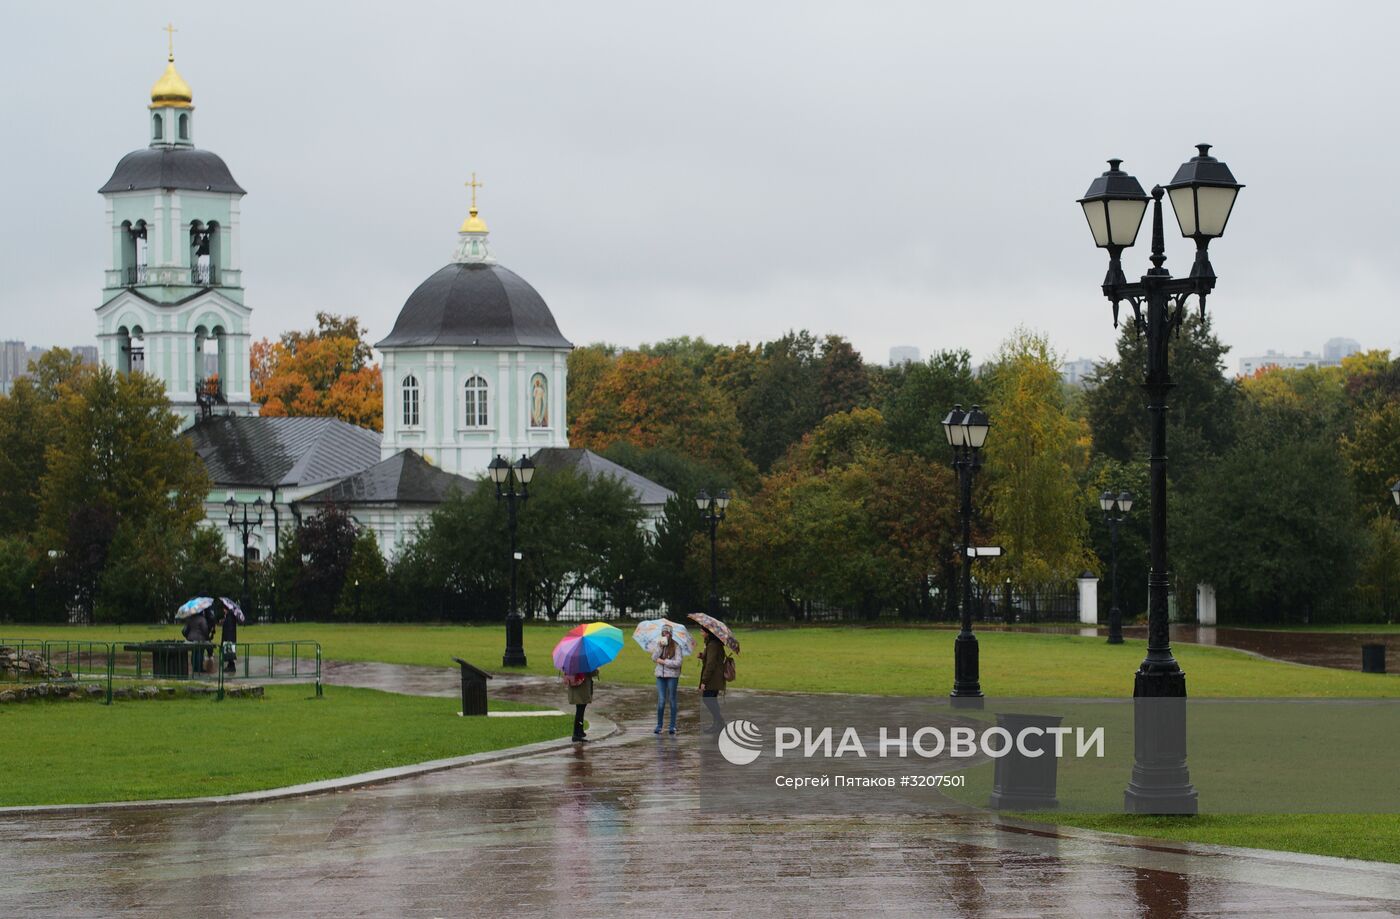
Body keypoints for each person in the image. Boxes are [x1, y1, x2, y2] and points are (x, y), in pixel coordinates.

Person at [651, 626, 683, 735]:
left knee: (672, 699)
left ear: (671, 634)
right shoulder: (660, 644)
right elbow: (654, 658)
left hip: (672, 677)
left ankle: (672, 726)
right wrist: (660, 647)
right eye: (663, 633)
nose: (665, 635)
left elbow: (678, 662)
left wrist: (665, 662)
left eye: (667, 633)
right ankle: (659, 726)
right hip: (660, 676)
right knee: (661, 701)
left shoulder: (676, 646)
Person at [698, 626, 728, 734]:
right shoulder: (712, 644)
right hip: (715, 677)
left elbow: (710, 665)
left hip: (713, 678)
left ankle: (720, 722)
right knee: (712, 700)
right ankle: (717, 723)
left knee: (708, 699)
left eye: (702, 631)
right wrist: (703, 656)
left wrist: (704, 681)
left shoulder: (712, 645)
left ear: (708, 633)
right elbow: (712, 659)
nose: (700, 632)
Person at [567, 669, 598, 743]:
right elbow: (592, 673)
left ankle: (580, 731)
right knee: (580, 711)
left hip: (576, 688)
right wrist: (597, 670)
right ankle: (576, 734)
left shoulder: (571, 663)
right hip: (582, 689)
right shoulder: (584, 662)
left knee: (580, 710)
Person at [181, 606, 213, 675]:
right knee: (200, 654)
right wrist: (207, 637)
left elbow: (186, 629)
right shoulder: (202, 619)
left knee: (194, 653)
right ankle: (199, 668)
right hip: (200, 639)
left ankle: (194, 667)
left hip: (191, 639)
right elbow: (205, 630)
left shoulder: (190, 618)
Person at [220, 602, 239, 675]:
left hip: (229, 637)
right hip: (229, 636)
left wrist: (228, 638)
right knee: (229, 652)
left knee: (229, 652)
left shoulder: (230, 616)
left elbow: (229, 628)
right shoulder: (229, 616)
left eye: (224, 609)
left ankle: (231, 666)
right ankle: (230, 665)